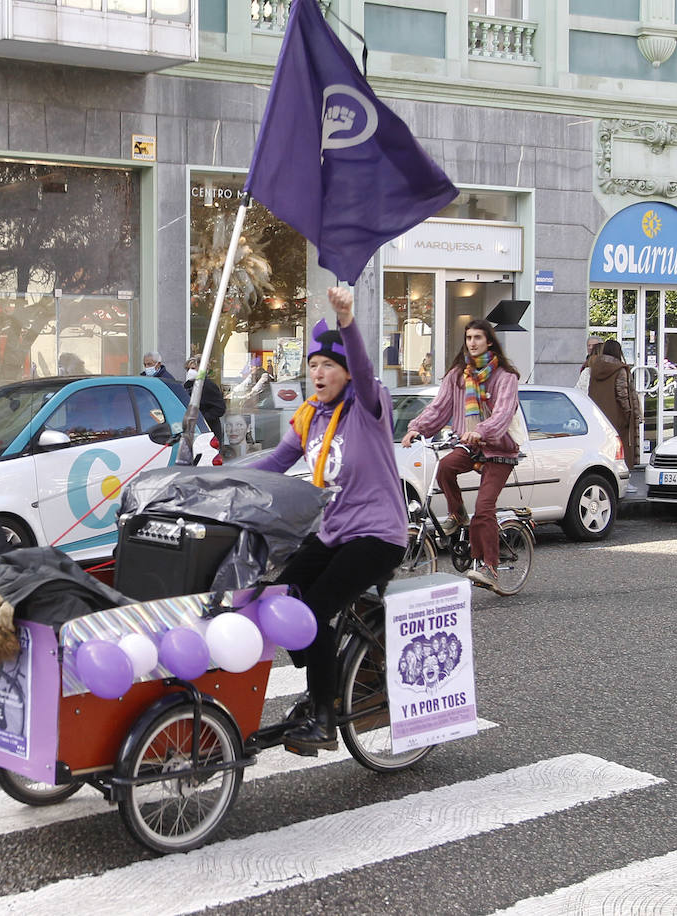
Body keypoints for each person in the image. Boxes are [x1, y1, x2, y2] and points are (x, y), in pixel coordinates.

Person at [248, 287, 408, 753]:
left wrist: (347, 320)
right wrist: (210, 478)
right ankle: (331, 679)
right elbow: (274, 463)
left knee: (312, 615)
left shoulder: (369, 406)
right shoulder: (309, 417)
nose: (318, 373)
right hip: (335, 532)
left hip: (377, 535)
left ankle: (323, 718)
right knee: (283, 596)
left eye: (328, 366)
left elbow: (363, 367)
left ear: (346, 374)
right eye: (313, 366)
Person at [400, 318, 521, 589]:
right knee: (445, 467)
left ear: (489, 341)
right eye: (469, 338)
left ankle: (489, 567)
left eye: (478, 338)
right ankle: (457, 515)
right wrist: (416, 428)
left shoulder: (505, 377)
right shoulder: (458, 375)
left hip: (499, 449)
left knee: (484, 508)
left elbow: (502, 413)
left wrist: (482, 430)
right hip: (470, 445)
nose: (472, 343)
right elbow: (439, 407)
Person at [587, 339, 643, 468]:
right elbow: (623, 394)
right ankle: (623, 477)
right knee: (621, 448)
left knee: (603, 446)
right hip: (618, 416)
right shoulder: (619, 369)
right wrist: (629, 414)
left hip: (599, 415)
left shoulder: (594, 368)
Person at [183, 356, 226, 442]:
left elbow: (220, 408)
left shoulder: (208, 386)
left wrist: (202, 418)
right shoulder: (188, 385)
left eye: (193, 368)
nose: (190, 371)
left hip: (208, 430)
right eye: (188, 369)